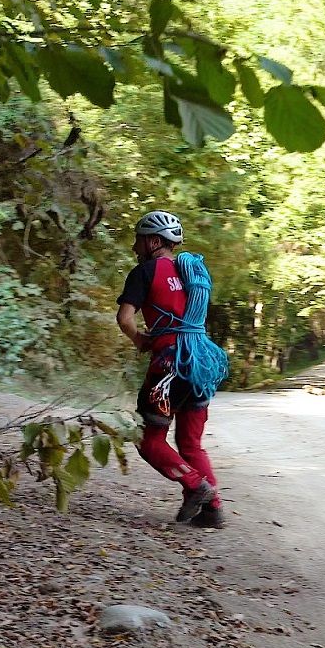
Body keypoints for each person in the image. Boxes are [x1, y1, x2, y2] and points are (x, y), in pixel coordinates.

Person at [117, 210, 223, 527]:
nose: (134, 247)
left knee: (149, 440)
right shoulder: (192, 271)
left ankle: (195, 486)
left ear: (152, 241)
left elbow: (125, 319)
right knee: (190, 443)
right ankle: (213, 509)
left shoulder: (145, 272)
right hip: (200, 365)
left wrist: (140, 340)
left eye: (138, 240)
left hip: (168, 370)